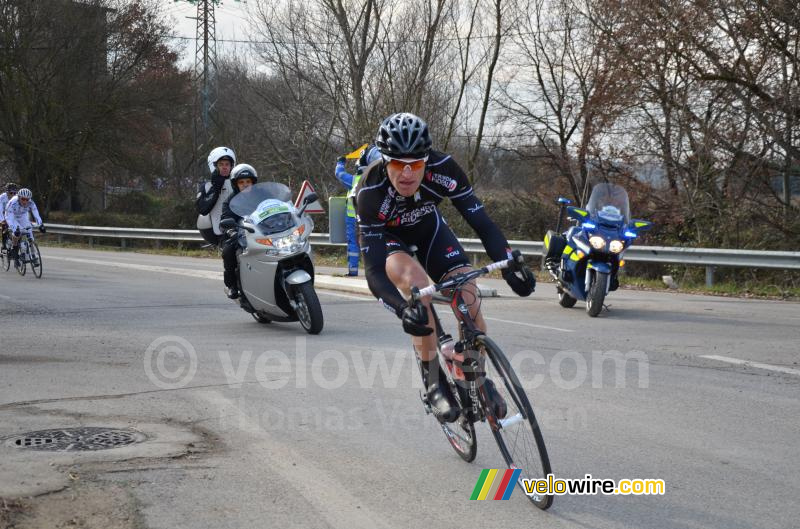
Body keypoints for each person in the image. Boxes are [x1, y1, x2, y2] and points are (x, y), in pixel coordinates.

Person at [355, 113, 535, 423]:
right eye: (398, 164)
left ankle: (477, 376)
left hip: (429, 231)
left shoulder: (445, 169)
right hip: (390, 240)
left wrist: (508, 264)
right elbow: (373, 272)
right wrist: (402, 309)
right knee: (417, 287)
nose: (408, 173)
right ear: (385, 162)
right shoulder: (370, 193)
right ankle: (433, 382)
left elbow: (482, 222)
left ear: (427, 160)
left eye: (416, 164)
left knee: (466, 290)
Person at [334, 145, 381, 276]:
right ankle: (376, 272)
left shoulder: (354, 180)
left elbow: (339, 173)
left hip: (353, 219)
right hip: (372, 218)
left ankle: (353, 271)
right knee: (374, 242)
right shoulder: (376, 180)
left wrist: (341, 162)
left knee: (353, 244)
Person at [219, 163, 258, 299]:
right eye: (241, 182)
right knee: (228, 251)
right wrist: (232, 231)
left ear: (253, 182)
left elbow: (276, 206)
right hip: (240, 234)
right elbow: (225, 218)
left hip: (262, 231)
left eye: (248, 181)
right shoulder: (230, 201)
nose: (245, 184)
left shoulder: (262, 196)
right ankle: (232, 285)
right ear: (236, 184)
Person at [196, 146, 236, 245]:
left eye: (227, 164)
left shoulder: (238, 183)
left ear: (232, 166)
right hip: (220, 230)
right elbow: (202, 209)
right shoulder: (206, 187)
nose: (225, 167)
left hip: (239, 227)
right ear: (214, 165)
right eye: (221, 164)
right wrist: (216, 188)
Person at [6, 188, 45, 267]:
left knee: (29, 234)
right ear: (19, 197)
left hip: (23, 216)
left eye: (27, 199)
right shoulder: (13, 202)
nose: (25, 201)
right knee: (17, 232)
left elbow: (36, 213)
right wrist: (14, 228)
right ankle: (15, 251)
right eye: (23, 199)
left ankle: (34, 255)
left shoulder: (31, 203)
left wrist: (40, 224)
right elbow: (9, 217)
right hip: (12, 216)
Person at [0, 182, 18, 252]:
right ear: (7, 192)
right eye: (11, 193)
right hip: (3, 213)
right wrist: (2, 220)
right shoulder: (2, 198)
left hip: (12, 213)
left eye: (14, 193)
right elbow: (0, 210)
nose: (13, 195)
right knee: (4, 226)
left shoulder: (17, 198)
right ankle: (4, 244)